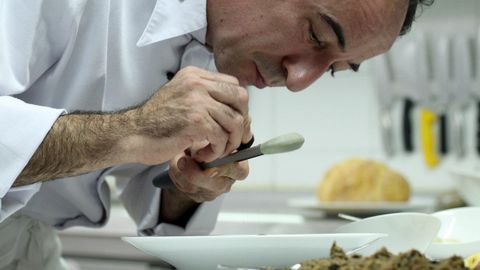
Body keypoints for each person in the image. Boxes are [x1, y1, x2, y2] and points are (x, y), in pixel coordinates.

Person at [0, 0, 433, 268]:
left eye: (335, 69)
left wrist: (190, 188)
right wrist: (130, 131)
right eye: (316, 34)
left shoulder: (229, 48)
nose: (301, 80)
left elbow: (161, 215)